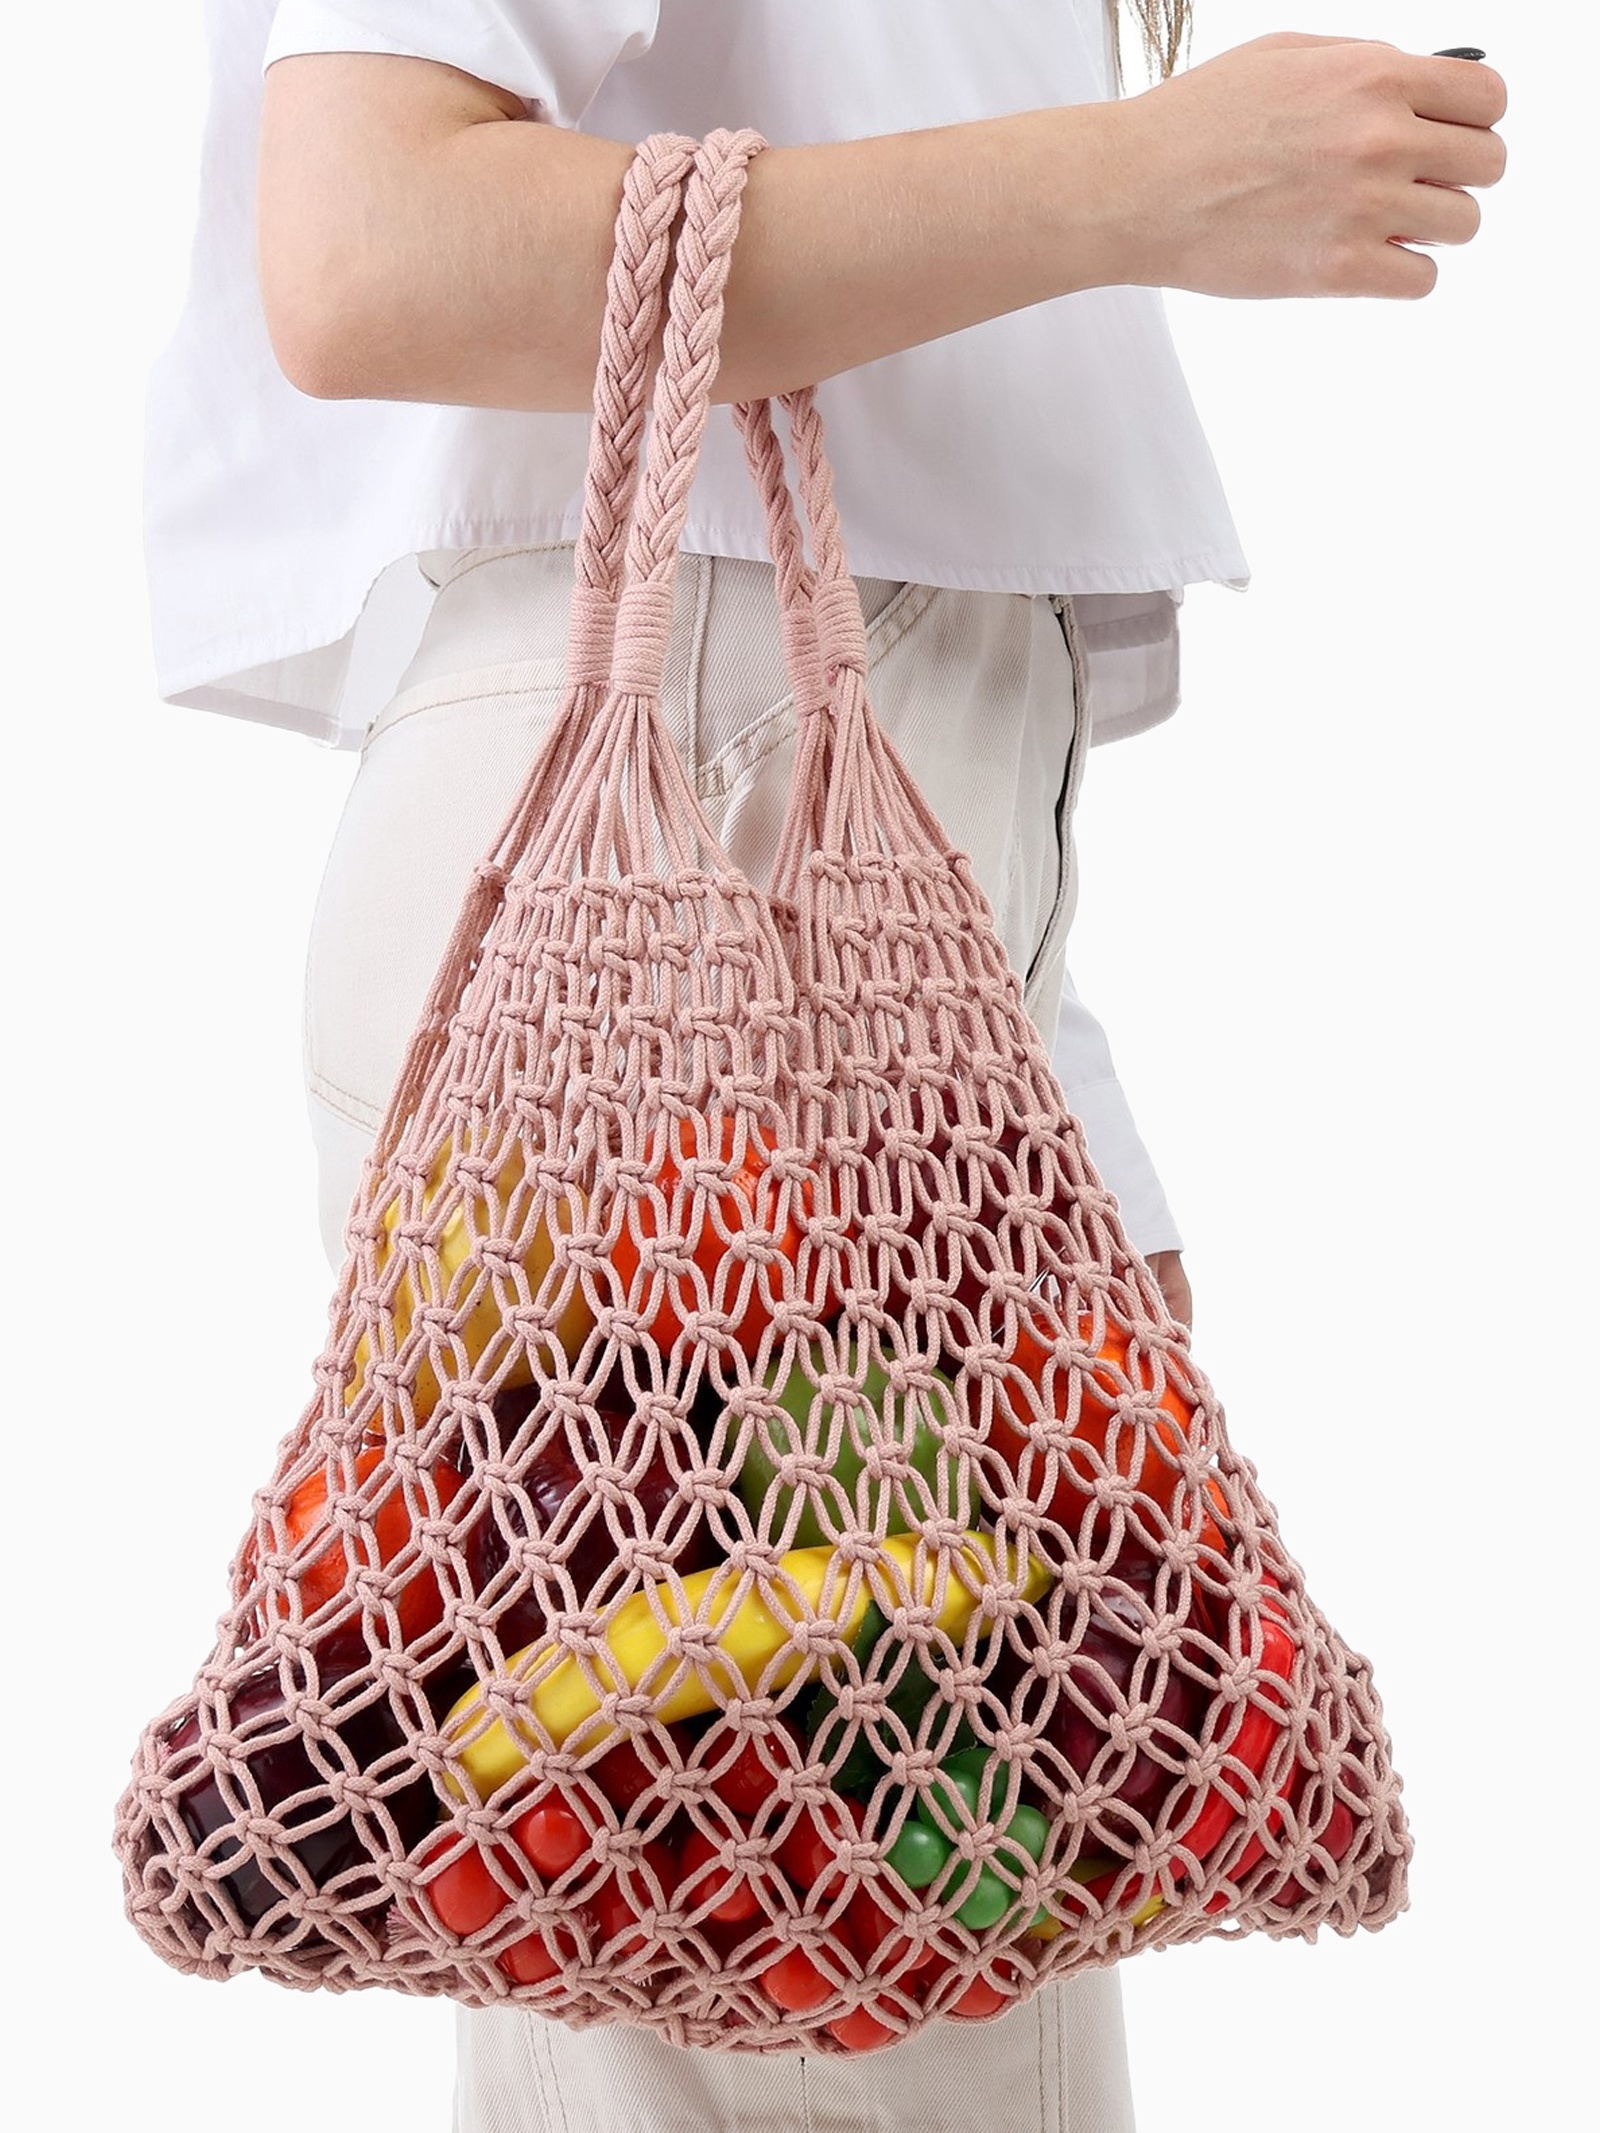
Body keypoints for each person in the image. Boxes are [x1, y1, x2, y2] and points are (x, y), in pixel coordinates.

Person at [143, 5, 1505, 2128]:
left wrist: (1053, 1083)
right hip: (700, 821)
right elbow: (370, 245)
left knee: (779, 1942)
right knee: (874, 1935)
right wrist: (1154, 176)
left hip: (805, 814)